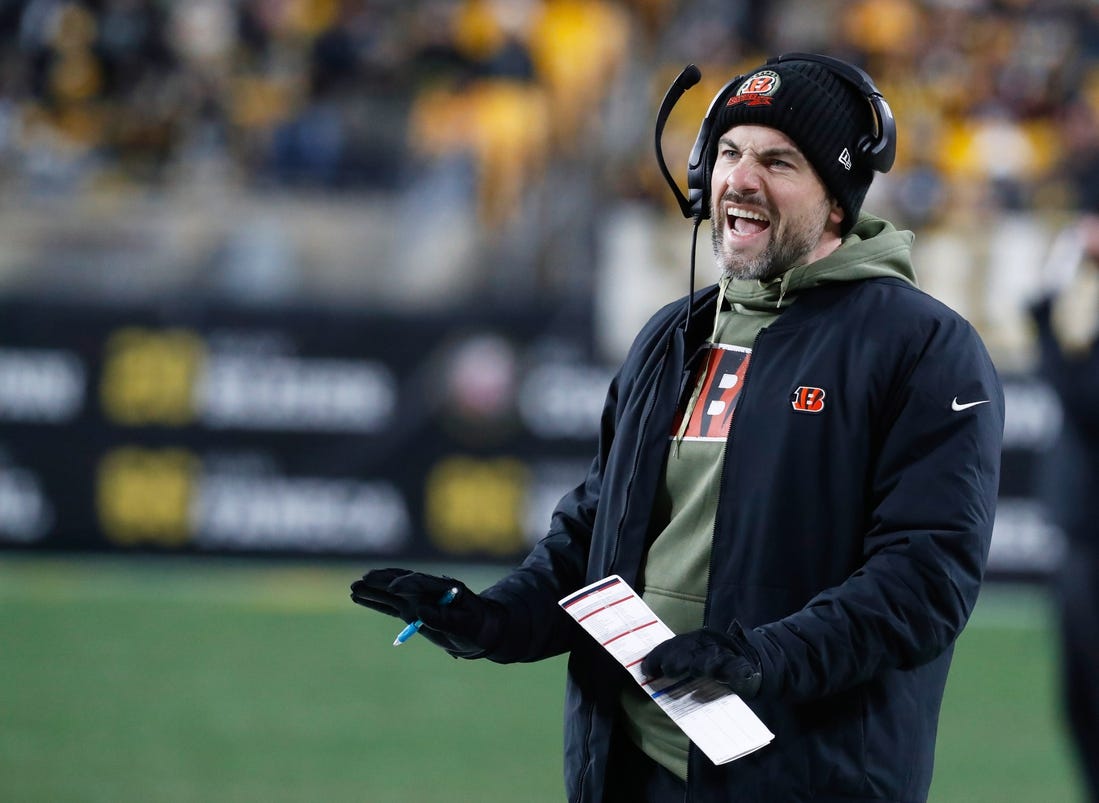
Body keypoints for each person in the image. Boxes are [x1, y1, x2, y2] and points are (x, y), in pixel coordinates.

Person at [351, 53, 1005, 802]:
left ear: (836, 200)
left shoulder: (923, 346)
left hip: (802, 780)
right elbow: (593, 535)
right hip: (627, 773)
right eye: (728, 152)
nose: (740, 178)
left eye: (778, 160)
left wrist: (757, 656)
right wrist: (496, 619)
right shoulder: (673, 336)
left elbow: (926, 582)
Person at [1029, 200, 1099, 803]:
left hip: (1094, 542)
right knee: (1079, 700)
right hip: (1084, 537)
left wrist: (1046, 314)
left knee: (1090, 698)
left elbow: (1085, 402)